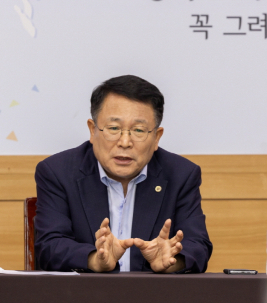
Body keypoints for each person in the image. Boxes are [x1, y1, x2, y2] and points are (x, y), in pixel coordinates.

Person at [34, 75, 212, 273]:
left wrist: (171, 260)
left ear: (156, 137)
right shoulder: (58, 172)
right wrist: (95, 260)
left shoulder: (181, 175)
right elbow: (49, 246)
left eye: (138, 130)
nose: (125, 142)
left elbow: (198, 246)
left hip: (153, 292)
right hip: (83, 292)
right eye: (114, 128)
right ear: (93, 130)